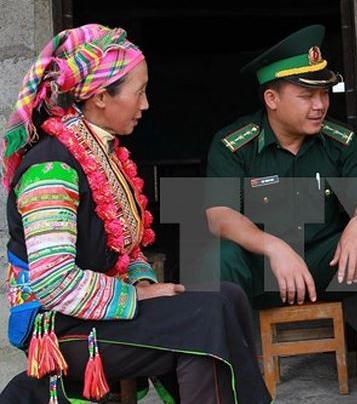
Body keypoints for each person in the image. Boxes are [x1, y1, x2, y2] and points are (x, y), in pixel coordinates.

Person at [0, 24, 269, 404]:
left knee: (227, 296)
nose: (145, 105)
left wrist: (143, 282)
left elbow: (126, 247)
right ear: (100, 97)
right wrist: (134, 298)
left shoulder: (103, 153)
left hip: (101, 312)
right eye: (139, 92)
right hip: (63, 329)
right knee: (204, 318)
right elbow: (54, 282)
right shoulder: (51, 168)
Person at [205, 24, 357, 316]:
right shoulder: (235, 146)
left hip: (325, 265)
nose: (320, 105)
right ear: (272, 99)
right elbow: (219, 217)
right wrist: (274, 247)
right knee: (219, 256)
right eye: (306, 96)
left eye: (324, 94)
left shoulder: (338, 141)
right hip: (264, 271)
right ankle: (228, 359)